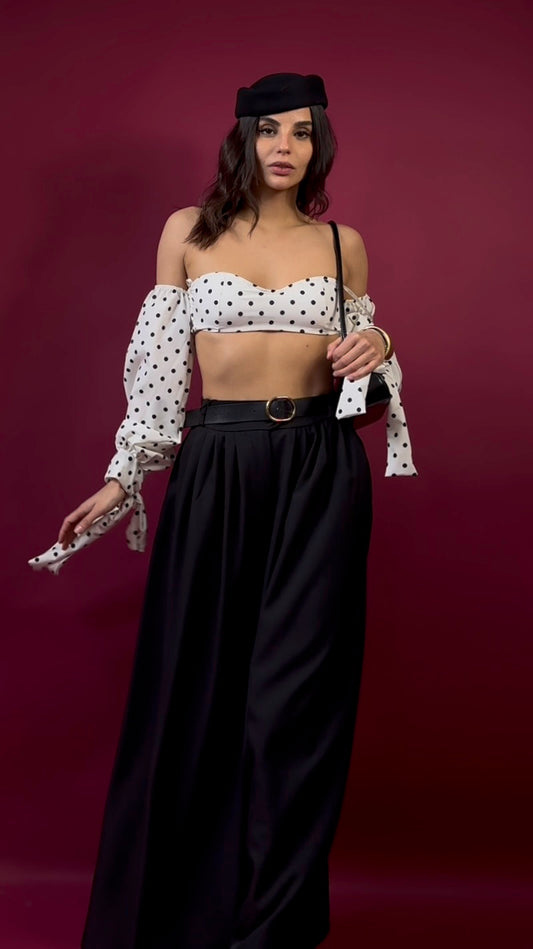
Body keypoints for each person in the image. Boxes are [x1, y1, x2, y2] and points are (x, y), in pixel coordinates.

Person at [29, 73, 416, 948]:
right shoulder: (188, 232)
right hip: (217, 465)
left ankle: (274, 928)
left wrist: (380, 345)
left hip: (319, 468)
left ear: (319, 145)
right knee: (193, 690)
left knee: (295, 703)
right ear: (242, 137)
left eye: (303, 133)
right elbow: (163, 370)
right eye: (269, 129)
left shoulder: (341, 245)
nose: (285, 146)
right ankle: (178, 917)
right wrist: (124, 476)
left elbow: (363, 398)